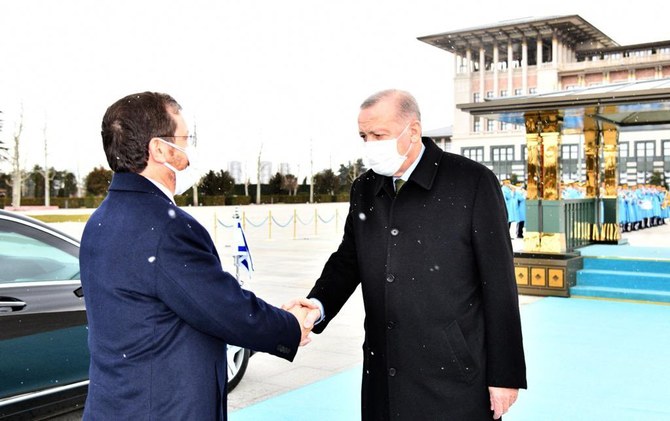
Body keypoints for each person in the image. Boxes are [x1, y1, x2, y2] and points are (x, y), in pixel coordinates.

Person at [285, 89, 527, 420]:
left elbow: (499, 283)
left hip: (453, 374)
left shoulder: (471, 182)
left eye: (378, 135)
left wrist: (505, 376)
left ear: (412, 131)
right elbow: (349, 259)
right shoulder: (365, 188)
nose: (370, 144)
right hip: (385, 370)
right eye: (363, 136)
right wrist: (318, 305)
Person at [79, 92, 309, 420]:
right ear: (159, 148)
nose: (189, 151)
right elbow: (224, 309)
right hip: (161, 409)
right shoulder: (166, 228)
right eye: (185, 139)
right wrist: (290, 327)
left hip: (115, 405)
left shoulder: (100, 219)